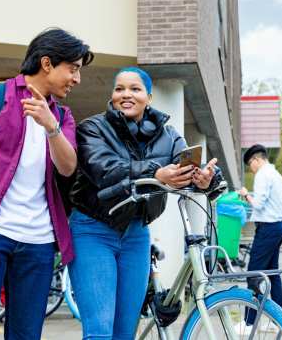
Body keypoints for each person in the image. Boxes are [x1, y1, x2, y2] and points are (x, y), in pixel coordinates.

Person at [0, 28, 93, 340]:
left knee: (26, 335)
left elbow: (67, 168)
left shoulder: (62, 116)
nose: (77, 79)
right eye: (74, 68)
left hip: (39, 242)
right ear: (47, 63)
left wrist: (51, 127)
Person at [69, 67, 223, 340]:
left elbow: (186, 165)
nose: (126, 94)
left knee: (125, 331)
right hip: (93, 230)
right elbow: (104, 169)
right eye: (119, 89)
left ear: (149, 97)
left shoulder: (170, 135)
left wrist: (203, 180)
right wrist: (156, 173)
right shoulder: (92, 129)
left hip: (136, 235)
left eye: (135, 89)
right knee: (100, 331)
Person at [237, 144, 282, 326]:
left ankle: (248, 322)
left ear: (257, 160)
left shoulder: (262, 175)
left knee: (253, 274)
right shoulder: (277, 177)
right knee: (272, 274)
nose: (250, 169)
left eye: (250, 164)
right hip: (279, 226)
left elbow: (258, 204)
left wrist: (245, 195)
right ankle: (279, 322)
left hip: (267, 228)